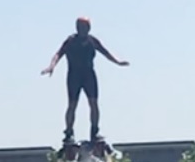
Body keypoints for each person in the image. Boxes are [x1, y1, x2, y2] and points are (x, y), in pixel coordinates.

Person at [41, 16, 129, 144]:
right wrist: (51, 66)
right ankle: (69, 132)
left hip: (88, 75)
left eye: (85, 27)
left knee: (93, 103)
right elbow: (58, 54)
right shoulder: (71, 41)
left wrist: (118, 62)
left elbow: (105, 52)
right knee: (72, 104)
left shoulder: (92, 41)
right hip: (74, 76)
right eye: (80, 27)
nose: (82, 29)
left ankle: (94, 131)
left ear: (89, 28)